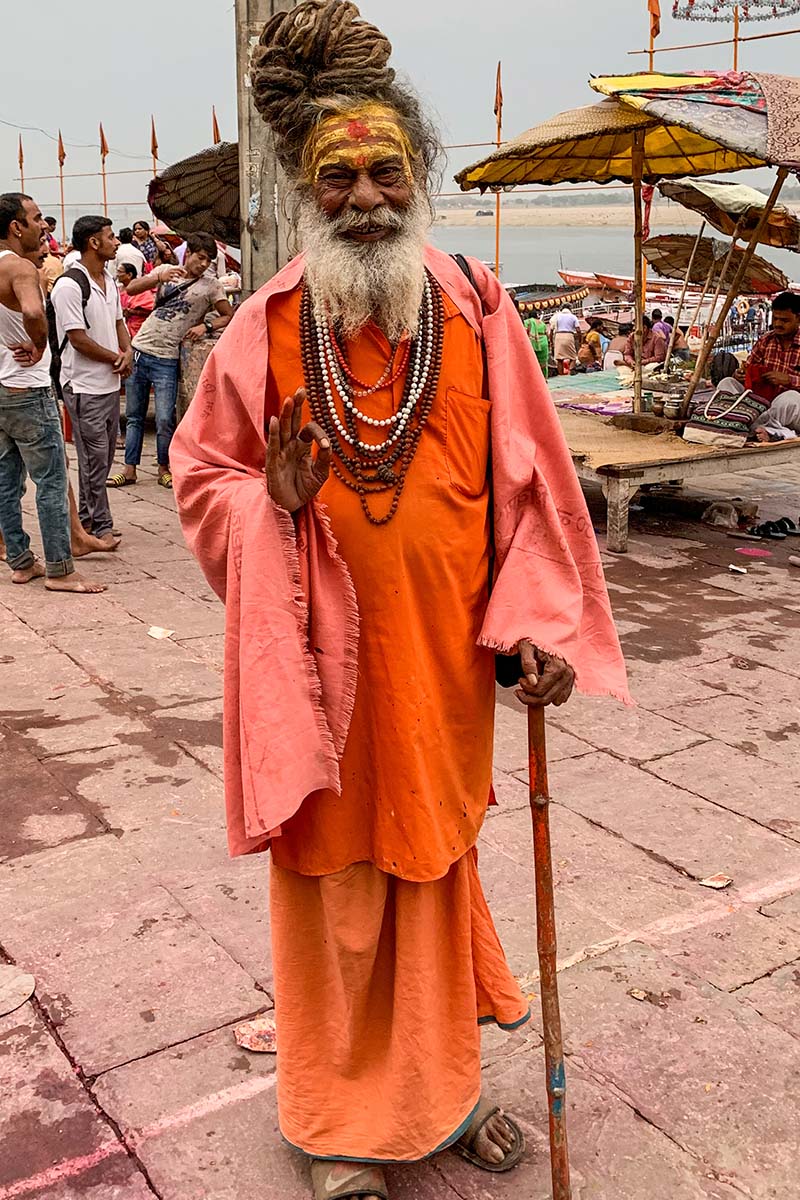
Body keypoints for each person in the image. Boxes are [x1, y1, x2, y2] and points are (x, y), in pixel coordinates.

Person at [170, 6, 629, 1199]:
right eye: (337, 176)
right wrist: (263, 507)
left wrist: (533, 626)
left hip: (440, 670)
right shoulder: (265, 327)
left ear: (415, 176)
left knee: (435, 868)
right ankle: (336, 1131)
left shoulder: (476, 304)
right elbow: (200, 474)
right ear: (304, 190)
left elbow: (532, 482)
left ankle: (448, 1092)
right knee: (332, 890)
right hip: (314, 675)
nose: (364, 196)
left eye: (385, 171)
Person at [0, 193, 104, 593]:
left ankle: (21, 561)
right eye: (36, 218)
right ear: (16, 226)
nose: (43, 226)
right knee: (51, 482)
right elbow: (31, 312)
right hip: (28, 389)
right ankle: (61, 568)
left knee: (7, 482)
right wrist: (40, 344)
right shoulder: (21, 268)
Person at [112, 232, 232, 489]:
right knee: (134, 416)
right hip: (140, 349)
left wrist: (206, 326)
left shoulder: (212, 286)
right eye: (200, 257)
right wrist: (158, 276)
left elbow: (229, 315)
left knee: (166, 417)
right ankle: (129, 468)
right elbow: (131, 288)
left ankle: (163, 467)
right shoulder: (167, 270)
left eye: (208, 260)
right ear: (188, 253)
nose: (203, 264)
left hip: (167, 357)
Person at [52, 215, 132, 548]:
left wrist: (127, 351)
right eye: (110, 237)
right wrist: (116, 358)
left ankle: (92, 521)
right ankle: (96, 524)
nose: (116, 242)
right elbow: (77, 338)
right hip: (84, 385)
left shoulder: (109, 281)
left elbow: (118, 323)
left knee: (102, 456)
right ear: (93, 243)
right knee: (93, 458)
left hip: (109, 383)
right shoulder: (70, 285)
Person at [117, 262, 154, 338]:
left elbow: (151, 310)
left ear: (129, 275)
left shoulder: (141, 290)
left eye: (120, 272)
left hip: (138, 329)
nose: (117, 274)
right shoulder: (116, 289)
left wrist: (132, 312)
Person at [549, 304, 580, 374]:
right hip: (569, 335)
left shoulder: (556, 317)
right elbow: (578, 329)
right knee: (573, 358)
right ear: (570, 309)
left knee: (559, 359)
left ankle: (561, 375)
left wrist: (551, 342)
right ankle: (570, 373)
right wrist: (580, 339)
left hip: (558, 336)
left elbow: (551, 331)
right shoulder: (573, 317)